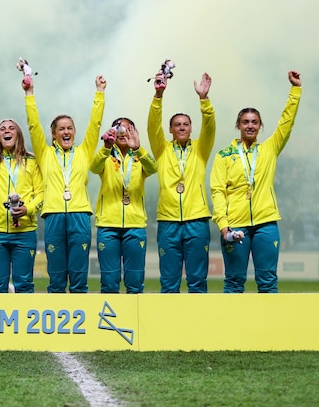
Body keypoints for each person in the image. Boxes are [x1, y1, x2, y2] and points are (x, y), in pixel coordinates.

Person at [210, 70, 302, 293]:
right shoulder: (224, 155)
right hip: (235, 225)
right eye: (245, 122)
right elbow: (217, 192)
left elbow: (286, 123)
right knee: (233, 281)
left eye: (254, 122)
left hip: (266, 224)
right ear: (238, 125)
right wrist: (223, 226)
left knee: (268, 281)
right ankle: (232, 328)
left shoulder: (269, 149)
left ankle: (270, 328)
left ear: (260, 126)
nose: (250, 126)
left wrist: (295, 91)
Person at [23, 74, 106, 293]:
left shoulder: (84, 151)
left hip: (79, 214)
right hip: (53, 215)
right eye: (61, 129)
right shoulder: (45, 153)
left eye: (70, 128)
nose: (66, 132)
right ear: (53, 134)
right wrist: (29, 94)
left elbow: (95, 125)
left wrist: (100, 93)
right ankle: (57, 324)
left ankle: (82, 322)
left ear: (74, 132)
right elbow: (33, 126)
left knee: (79, 276)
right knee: (57, 277)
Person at [147, 71, 214, 293]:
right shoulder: (162, 149)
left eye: (186, 124)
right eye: (177, 124)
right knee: (168, 282)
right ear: (170, 130)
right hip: (168, 221)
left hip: (197, 219)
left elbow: (210, 127)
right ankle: (168, 326)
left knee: (197, 281)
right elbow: (152, 126)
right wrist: (158, 95)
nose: (182, 127)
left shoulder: (201, 149)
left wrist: (204, 100)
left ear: (191, 128)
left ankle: (198, 325)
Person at [90, 117, 157, 293]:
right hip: (107, 225)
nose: (122, 132)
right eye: (118, 127)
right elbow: (94, 167)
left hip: (135, 225)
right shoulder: (106, 155)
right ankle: (113, 320)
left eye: (127, 128)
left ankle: (134, 320)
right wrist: (106, 147)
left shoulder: (139, 157)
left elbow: (153, 168)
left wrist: (139, 148)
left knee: (135, 282)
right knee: (109, 282)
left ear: (133, 132)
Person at [0, 120, 44, 293]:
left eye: (11, 128)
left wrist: (27, 209)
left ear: (18, 134)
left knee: (24, 284)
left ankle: (24, 320)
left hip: (25, 231)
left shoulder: (32, 162)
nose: (7, 131)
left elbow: (42, 193)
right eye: (2, 129)